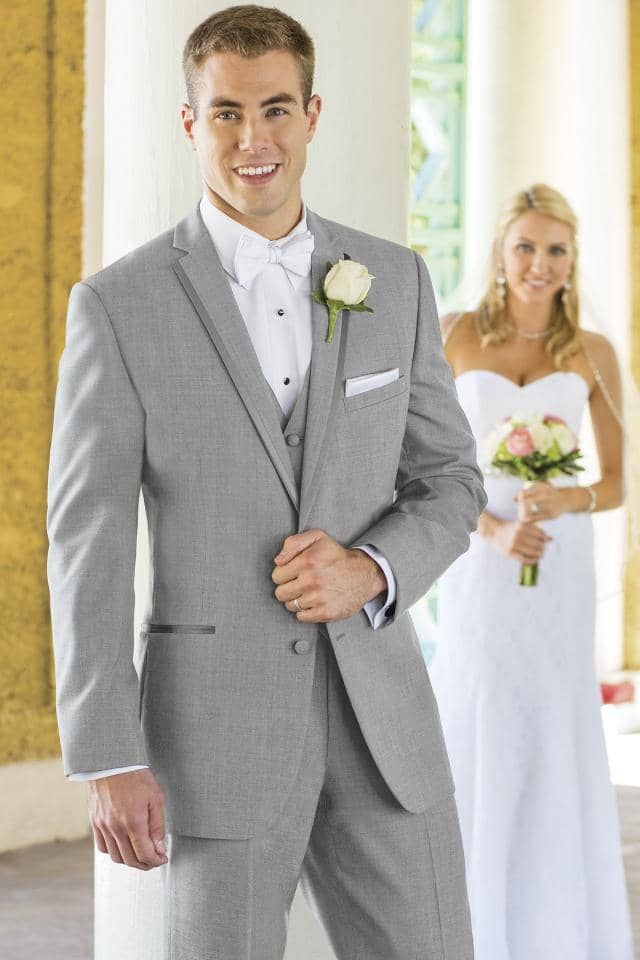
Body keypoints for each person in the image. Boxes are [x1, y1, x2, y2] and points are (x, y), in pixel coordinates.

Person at [46, 6, 487, 957]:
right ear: (190, 123)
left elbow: (452, 478)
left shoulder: (393, 280)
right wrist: (108, 752)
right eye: (227, 113)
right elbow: (87, 542)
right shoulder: (119, 307)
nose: (254, 139)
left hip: (385, 727)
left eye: (277, 109)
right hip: (214, 736)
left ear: (312, 115)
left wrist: (371, 569)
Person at [429, 183, 634, 959]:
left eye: (555, 250)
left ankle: (555, 928)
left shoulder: (592, 351)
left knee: (552, 714)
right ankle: (462, 921)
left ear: (572, 260)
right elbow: (423, 466)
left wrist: (567, 498)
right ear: (499, 252)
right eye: (526, 246)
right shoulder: (451, 335)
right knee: (476, 703)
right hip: (482, 559)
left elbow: (615, 483)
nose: (539, 264)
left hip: (557, 562)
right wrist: (492, 529)